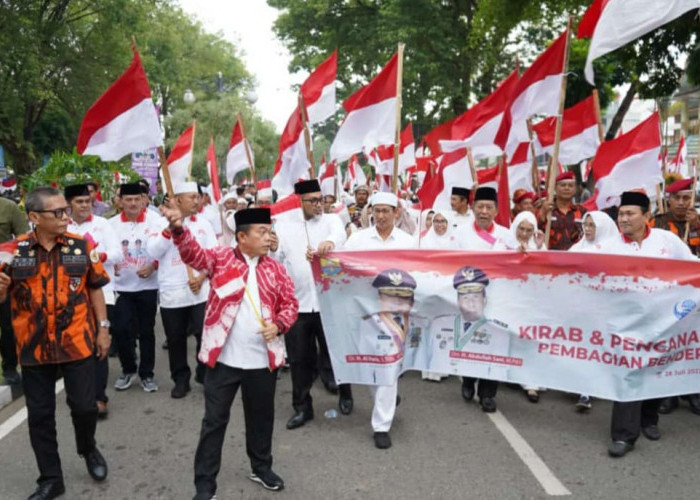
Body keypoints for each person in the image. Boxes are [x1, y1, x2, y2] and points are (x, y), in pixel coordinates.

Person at [159, 205, 298, 497]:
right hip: (224, 361)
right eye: (262, 232)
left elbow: (290, 304)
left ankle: (261, 467)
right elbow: (192, 254)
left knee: (261, 419)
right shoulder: (220, 258)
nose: (268, 238)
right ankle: (205, 485)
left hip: (263, 361)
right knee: (214, 422)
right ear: (241, 237)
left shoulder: (276, 268)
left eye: (269, 231)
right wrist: (178, 228)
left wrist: (280, 325)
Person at [0, 187, 111, 500]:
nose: (66, 216)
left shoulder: (81, 245)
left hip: (77, 343)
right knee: (40, 417)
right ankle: (50, 478)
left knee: (85, 407)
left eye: (66, 210)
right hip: (34, 349)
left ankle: (87, 448)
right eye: (58, 212)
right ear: (35, 217)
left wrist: (103, 328)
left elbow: (95, 289)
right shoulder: (12, 251)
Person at [603, 190, 695, 458]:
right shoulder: (609, 247)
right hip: (625, 324)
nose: (624, 219)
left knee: (655, 370)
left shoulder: (668, 241)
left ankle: (649, 420)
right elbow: (577, 265)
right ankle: (623, 435)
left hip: (662, 321)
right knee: (629, 373)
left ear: (647, 216)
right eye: (621, 213)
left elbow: (691, 267)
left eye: (630, 213)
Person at [269, 180, 347, 429]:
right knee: (300, 360)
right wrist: (273, 248)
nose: (319, 204)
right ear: (298, 201)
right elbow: (275, 259)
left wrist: (330, 244)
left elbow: (340, 235)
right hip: (297, 305)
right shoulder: (283, 226)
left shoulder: (330, 221)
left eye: (320, 199)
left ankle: (346, 392)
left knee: (336, 353)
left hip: (329, 302)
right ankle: (302, 407)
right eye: (312, 200)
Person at [343, 192, 416, 449]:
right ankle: (385, 400)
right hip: (365, 313)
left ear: (396, 213)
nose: (381, 216)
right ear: (371, 212)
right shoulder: (358, 240)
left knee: (388, 367)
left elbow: (419, 273)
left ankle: (381, 426)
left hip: (395, 313)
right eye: (377, 211)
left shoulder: (408, 242)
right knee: (372, 367)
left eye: (387, 211)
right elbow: (341, 267)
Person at [147, 182, 216, 398]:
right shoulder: (159, 223)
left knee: (204, 335)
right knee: (175, 339)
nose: (197, 201)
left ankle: (204, 372)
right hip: (172, 293)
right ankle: (180, 379)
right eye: (192, 197)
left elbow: (214, 255)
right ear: (178, 200)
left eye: (198, 197)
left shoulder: (204, 223)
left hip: (200, 290)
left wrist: (202, 276)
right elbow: (153, 251)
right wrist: (170, 229)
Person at [66, 184, 121, 418]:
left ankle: (99, 397)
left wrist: (92, 256)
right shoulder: (63, 226)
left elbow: (118, 254)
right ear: (69, 205)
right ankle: (80, 396)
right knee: (75, 347)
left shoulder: (102, 224)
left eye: (88, 201)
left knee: (100, 344)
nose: (85, 205)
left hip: (102, 292)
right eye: (79, 202)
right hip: (69, 295)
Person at [454, 186, 510, 412]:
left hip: (497, 297)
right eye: (480, 206)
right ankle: (468, 379)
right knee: (472, 340)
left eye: (489, 207)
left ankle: (488, 393)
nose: (484, 211)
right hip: (469, 296)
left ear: (496, 210)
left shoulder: (506, 235)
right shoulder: (460, 234)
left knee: (494, 344)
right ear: (473, 208)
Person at [428, 266, 511, 408]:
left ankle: (487, 394)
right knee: (469, 351)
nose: (470, 302)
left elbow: (499, 360)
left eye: (476, 297)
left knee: (492, 354)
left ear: (484, 299)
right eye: (465, 297)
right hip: (468, 266)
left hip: (496, 279)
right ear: (458, 300)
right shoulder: (445, 323)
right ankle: (468, 381)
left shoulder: (497, 327)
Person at [650, 178, 700, 414]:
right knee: (670, 343)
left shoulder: (698, 222)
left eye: (686, 198)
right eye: (677, 198)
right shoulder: (656, 224)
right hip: (668, 295)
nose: (682, 203)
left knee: (693, 343)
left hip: (695, 295)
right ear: (668, 200)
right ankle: (667, 392)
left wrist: (698, 225)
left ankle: (693, 390)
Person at [108, 182, 161, 393]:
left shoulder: (156, 221)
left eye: (136, 199)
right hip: (120, 287)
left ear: (143, 200)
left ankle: (147, 374)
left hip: (148, 285)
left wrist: (153, 266)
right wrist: (113, 266)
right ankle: (128, 369)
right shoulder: (110, 224)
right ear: (120, 202)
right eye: (127, 199)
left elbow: (166, 248)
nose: (132, 203)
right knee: (121, 329)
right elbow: (106, 250)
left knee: (147, 331)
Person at [0, 194, 29, 386]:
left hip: (3, 273)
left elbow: (24, 238)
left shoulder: (8, 207)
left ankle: (9, 367)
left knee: (7, 324)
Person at [537, 171, 587, 250]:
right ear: (555, 188)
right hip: (551, 258)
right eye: (563, 185)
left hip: (577, 257)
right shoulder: (546, 209)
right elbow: (534, 231)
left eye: (570, 185)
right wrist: (542, 215)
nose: (567, 188)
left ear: (575, 189)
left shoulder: (582, 211)